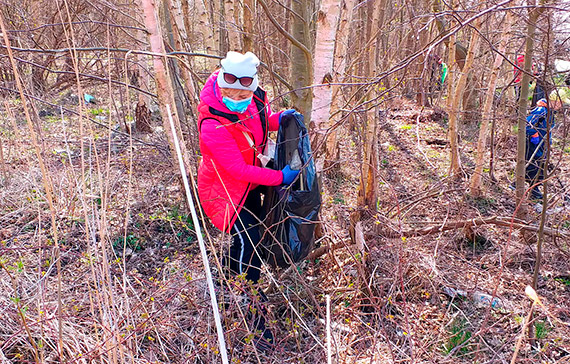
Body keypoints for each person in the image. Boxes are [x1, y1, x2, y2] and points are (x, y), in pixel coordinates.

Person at [196, 51, 298, 350]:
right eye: (229, 92)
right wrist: (281, 177)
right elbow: (236, 169)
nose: (235, 97)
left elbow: (261, 124)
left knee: (248, 238)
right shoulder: (213, 124)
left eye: (242, 92)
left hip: (252, 183)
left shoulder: (253, 101)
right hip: (226, 191)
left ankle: (228, 276)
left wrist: (283, 118)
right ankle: (248, 295)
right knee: (248, 241)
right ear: (220, 83)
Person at [524, 98, 555, 200]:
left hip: (542, 144)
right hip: (534, 143)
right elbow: (528, 124)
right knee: (534, 164)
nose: (560, 106)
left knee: (541, 164)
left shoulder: (550, 112)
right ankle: (533, 190)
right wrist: (534, 135)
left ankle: (530, 187)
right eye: (559, 103)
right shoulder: (541, 110)